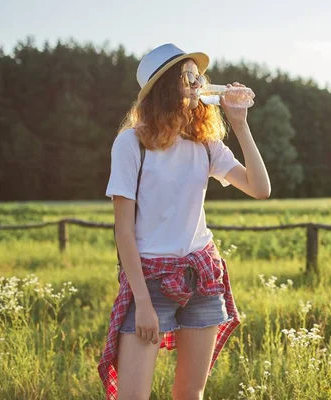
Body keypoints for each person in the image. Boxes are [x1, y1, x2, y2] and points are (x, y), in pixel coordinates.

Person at [97, 43, 271, 400]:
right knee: (133, 396)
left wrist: (239, 125)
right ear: (163, 87)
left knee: (190, 393)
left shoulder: (206, 143)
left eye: (199, 76)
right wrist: (143, 304)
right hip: (150, 280)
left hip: (202, 275)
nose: (198, 84)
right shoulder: (131, 144)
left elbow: (260, 188)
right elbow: (124, 232)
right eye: (188, 76)